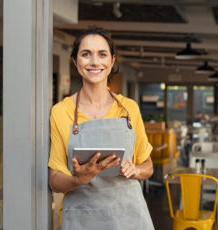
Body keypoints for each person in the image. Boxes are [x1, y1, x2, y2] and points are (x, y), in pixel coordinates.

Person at [48, 27, 154, 230]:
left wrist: (135, 170)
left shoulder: (129, 108)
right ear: (75, 61)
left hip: (128, 216)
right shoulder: (61, 112)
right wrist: (79, 179)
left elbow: (147, 165)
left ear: (112, 61)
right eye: (86, 54)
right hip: (83, 218)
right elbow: (54, 180)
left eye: (102, 54)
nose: (95, 62)